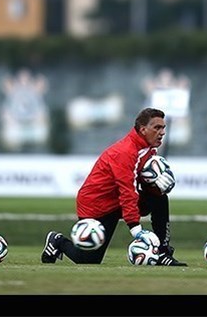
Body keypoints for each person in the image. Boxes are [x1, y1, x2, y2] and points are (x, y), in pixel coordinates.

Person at [41, 107, 186, 266]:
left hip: (114, 200)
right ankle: (57, 241)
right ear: (143, 130)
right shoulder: (125, 152)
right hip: (95, 205)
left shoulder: (149, 149)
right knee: (88, 260)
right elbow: (128, 191)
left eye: (163, 127)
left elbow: (140, 185)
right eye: (157, 127)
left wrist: (158, 187)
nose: (162, 132)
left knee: (159, 198)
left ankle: (163, 253)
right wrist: (136, 230)